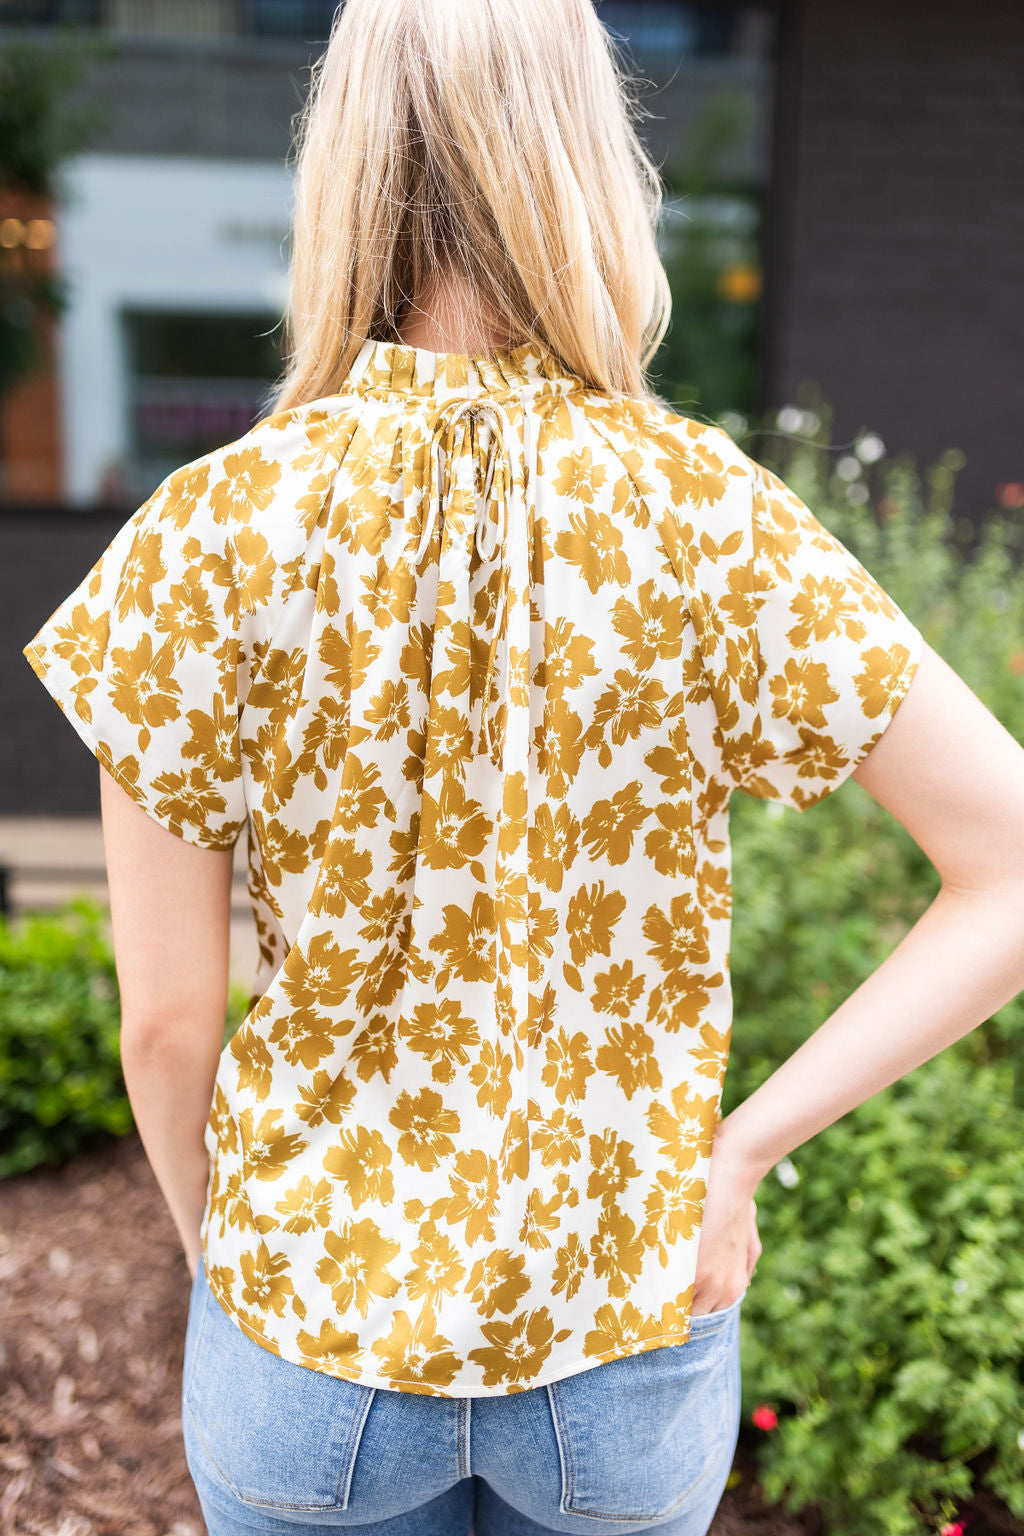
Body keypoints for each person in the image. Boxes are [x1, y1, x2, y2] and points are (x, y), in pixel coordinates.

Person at [23, 1, 1024, 1533]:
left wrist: (229, 1260)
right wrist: (742, 1154)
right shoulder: (702, 513)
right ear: (590, 167)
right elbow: (1008, 865)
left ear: (341, 169)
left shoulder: (211, 532)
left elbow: (164, 1025)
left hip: (312, 1324)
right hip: (620, 1320)